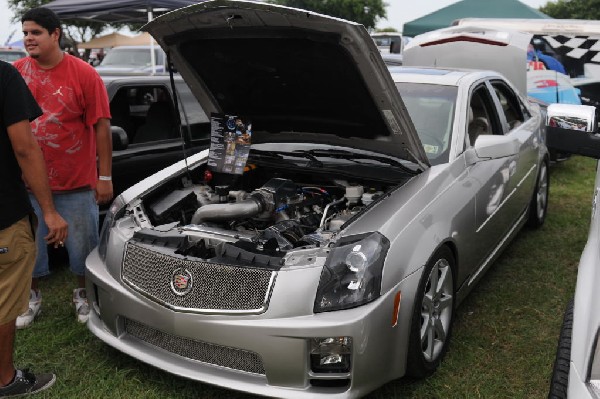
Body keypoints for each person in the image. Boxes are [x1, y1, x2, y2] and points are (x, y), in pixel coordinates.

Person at [13, 7, 113, 327]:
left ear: (55, 34)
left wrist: (105, 176)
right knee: (29, 247)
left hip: (76, 182)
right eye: (25, 32)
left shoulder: (84, 73)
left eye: (36, 32)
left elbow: (101, 126)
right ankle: (31, 298)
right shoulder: (16, 74)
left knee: (83, 247)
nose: (29, 38)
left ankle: (83, 295)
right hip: (26, 183)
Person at [0, 60, 68, 396]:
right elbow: (25, 147)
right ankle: (5, 380)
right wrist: (50, 211)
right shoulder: (3, 75)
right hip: (2, 218)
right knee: (3, 298)